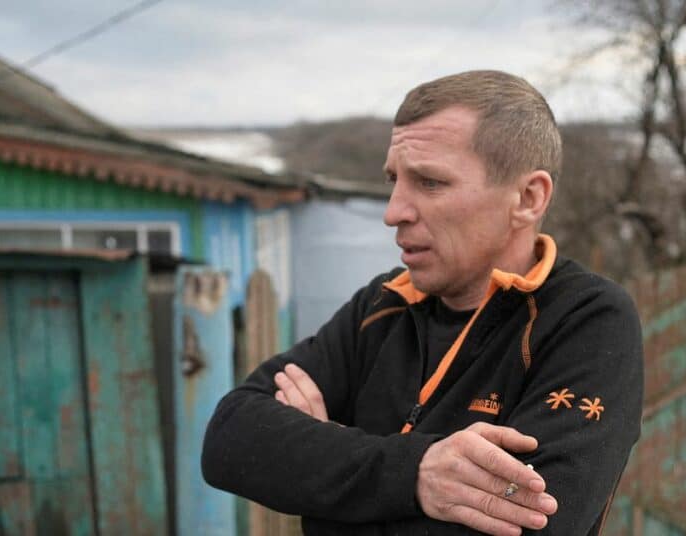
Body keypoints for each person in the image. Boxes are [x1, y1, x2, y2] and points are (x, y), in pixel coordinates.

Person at [202, 70, 643, 535]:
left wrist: (321, 479)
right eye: (395, 180)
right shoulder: (383, 304)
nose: (394, 212)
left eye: (429, 183)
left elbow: (536, 526)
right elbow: (229, 439)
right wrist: (417, 474)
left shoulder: (586, 320)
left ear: (527, 198)